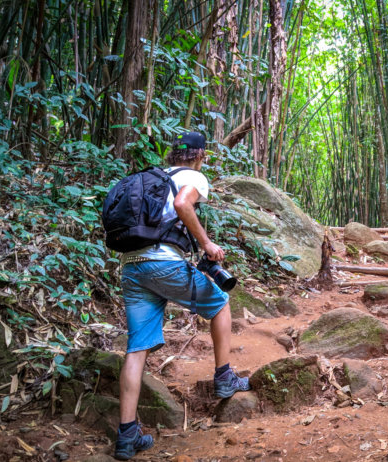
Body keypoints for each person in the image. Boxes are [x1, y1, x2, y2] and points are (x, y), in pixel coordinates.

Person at [113, 131, 250, 460]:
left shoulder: (154, 177)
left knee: (137, 348)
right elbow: (181, 204)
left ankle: (126, 435)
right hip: (162, 264)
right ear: (200, 154)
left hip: (131, 266)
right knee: (220, 303)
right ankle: (224, 378)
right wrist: (207, 244)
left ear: (174, 153)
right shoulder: (193, 177)